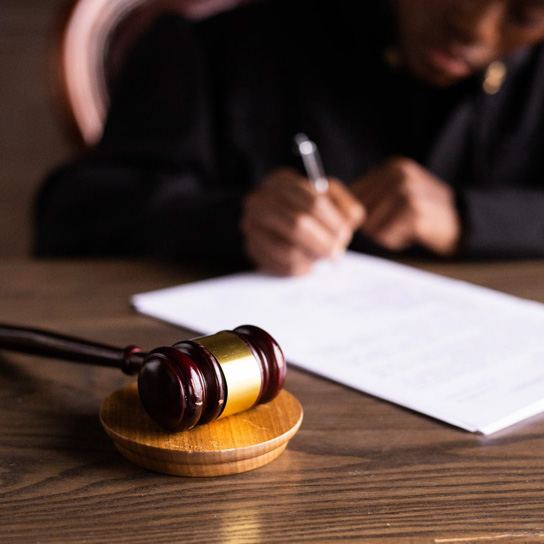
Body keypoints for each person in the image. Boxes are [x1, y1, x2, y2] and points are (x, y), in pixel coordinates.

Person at [35, 0, 544, 275]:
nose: (473, 27)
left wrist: (466, 216)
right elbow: (73, 213)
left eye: (523, 13)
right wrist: (237, 220)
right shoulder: (215, 50)